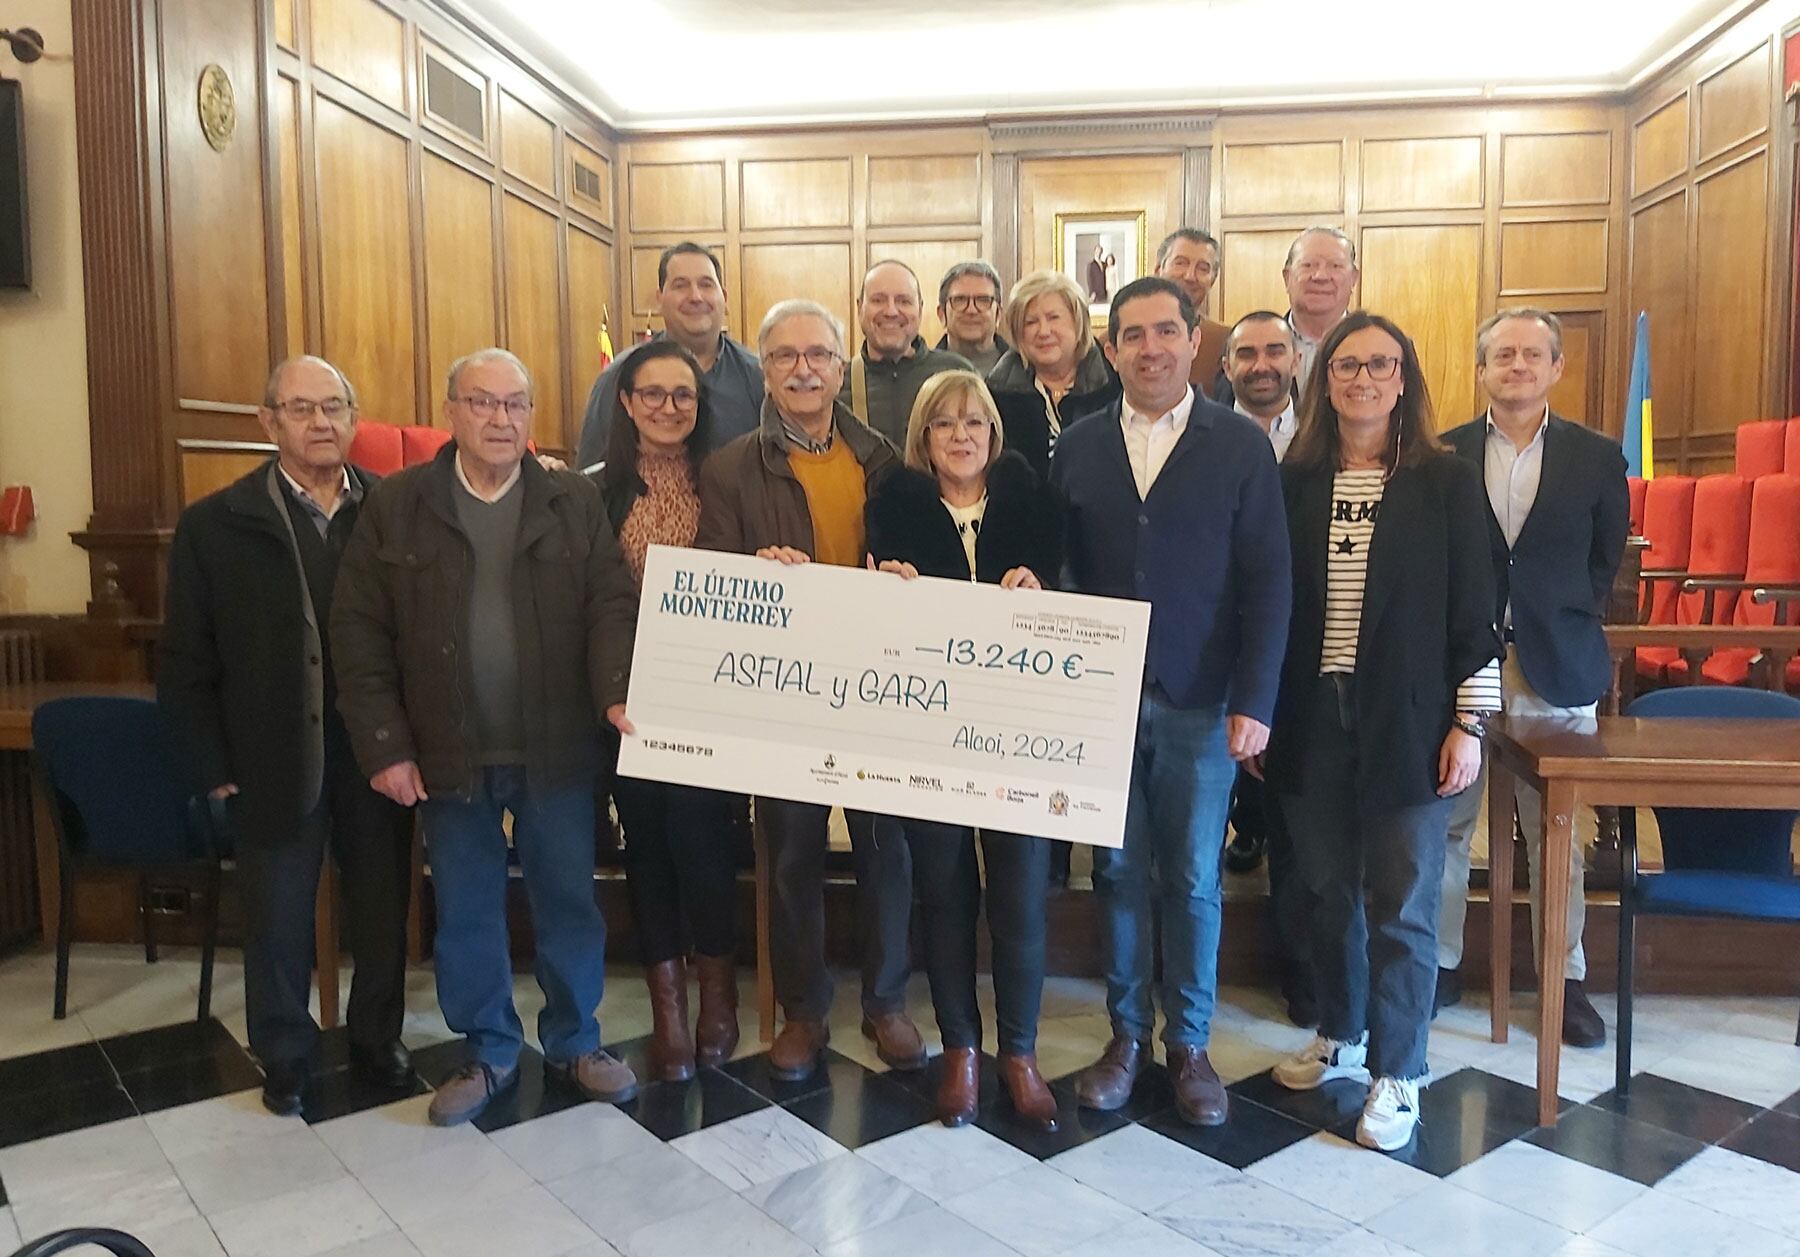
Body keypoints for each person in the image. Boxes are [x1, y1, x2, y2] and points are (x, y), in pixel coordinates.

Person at [333, 347, 640, 1127]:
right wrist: (385, 746)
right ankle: (488, 1048)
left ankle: (574, 1040)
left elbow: (610, 603)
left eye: (514, 404)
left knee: (569, 902)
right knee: (467, 908)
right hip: (448, 752)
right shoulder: (399, 504)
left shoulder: (573, 499)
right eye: (482, 402)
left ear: (530, 415)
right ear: (452, 411)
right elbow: (359, 632)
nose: (500, 419)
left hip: (557, 748)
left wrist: (615, 692)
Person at [1054, 277, 1291, 1128]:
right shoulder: (1078, 445)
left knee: (1192, 877)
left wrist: (1254, 698)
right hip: (1104, 701)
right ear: (1110, 348)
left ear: (1195, 342)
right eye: (1132, 334)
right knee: (1117, 871)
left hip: (1203, 698)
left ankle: (1189, 1043)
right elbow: (1061, 569)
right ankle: (1127, 1037)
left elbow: (1269, 579)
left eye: (1166, 331)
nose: (1150, 348)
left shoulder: (1240, 445)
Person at [1263, 311, 1500, 1152]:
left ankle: (1399, 1070)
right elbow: (1265, 603)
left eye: (1380, 365)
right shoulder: (1294, 480)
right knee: (1325, 891)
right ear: (1323, 381)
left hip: (1411, 719)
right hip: (1310, 715)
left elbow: (1479, 611)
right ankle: (1342, 1031)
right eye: (1346, 365)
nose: (1362, 378)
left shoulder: (1446, 481)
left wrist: (1469, 722)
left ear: (1404, 381)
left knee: (1401, 902)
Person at [159, 356, 414, 1116]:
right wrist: (210, 761)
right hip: (270, 754)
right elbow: (185, 658)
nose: (320, 422)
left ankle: (378, 1038)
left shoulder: (394, 510)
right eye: (301, 409)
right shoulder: (216, 523)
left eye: (333, 407)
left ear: (354, 417)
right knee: (277, 917)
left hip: (375, 750)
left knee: (382, 909)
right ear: (268, 421)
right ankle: (285, 1054)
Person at [697, 299, 923, 1081]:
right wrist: (753, 570)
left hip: (875, 687)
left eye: (819, 354)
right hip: (785, 694)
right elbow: (713, 580)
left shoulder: (884, 459)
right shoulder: (730, 467)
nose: (804, 369)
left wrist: (905, 574)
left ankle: (886, 1002)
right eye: (786, 356)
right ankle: (803, 1010)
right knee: (791, 852)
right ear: (764, 370)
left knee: (885, 849)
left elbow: (916, 561)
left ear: (840, 366)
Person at [864, 369, 1064, 1131]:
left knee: (1020, 894)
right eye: (944, 422)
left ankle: (1020, 1052)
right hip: (932, 737)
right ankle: (962, 1051)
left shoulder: (1033, 503)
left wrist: (1044, 588)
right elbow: (877, 628)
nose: (960, 434)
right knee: (944, 892)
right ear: (923, 435)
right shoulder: (894, 506)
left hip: (1019, 736)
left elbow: (1073, 607)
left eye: (974, 421)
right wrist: (885, 587)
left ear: (993, 433)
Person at [1436, 308, 1629, 1049]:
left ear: (1555, 368)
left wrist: (1555, 615)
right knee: (1450, 822)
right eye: (1503, 354)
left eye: (1532, 355)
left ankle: (1563, 978)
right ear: (1481, 368)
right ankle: (1440, 964)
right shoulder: (1444, 451)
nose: (1517, 365)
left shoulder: (1596, 456)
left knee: (1555, 831)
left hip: (1555, 663)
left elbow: (1603, 560)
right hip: (1462, 661)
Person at [600, 341, 742, 1080]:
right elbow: (591, 601)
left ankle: (719, 999)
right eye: (651, 394)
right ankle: (670, 1014)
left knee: (704, 843)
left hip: (710, 698)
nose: (668, 407)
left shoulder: (726, 480)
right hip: (627, 701)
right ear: (626, 403)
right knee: (647, 848)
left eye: (682, 394)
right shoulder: (593, 493)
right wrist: (613, 688)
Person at [1217, 310, 1313, 1024]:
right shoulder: (1202, 434)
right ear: (1225, 365)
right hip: (1209, 649)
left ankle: (1301, 970)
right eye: (1245, 353)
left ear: (1295, 359)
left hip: (1303, 646)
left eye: (1274, 350)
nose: (1261, 364)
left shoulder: (1325, 437)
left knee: (1297, 822)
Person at [573, 242, 763, 470]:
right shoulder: (618, 376)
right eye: (681, 285)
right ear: (660, 298)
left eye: (706, 284)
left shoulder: (758, 377)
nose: (696, 296)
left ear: (724, 297)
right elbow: (591, 475)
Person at [986, 269, 1121, 479]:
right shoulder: (994, 395)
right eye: (1030, 322)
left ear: (1078, 322)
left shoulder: (1115, 386)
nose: (1043, 331)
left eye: (1053, 318)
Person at [839, 259, 971, 447]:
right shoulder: (837, 383)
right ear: (860, 307)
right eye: (878, 300)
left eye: (904, 301)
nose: (891, 311)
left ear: (920, 308)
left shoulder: (958, 374)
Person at [1154, 228, 1230, 388]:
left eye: (1202, 268)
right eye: (1180, 263)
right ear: (1158, 270)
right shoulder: (1119, 338)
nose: (1190, 276)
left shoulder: (1226, 341)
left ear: (1213, 280)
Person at [1283, 227, 1360, 384]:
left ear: (1353, 278)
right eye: (1308, 265)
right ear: (1287, 278)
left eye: (1335, 266)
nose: (1320, 276)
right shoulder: (1253, 346)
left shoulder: (1386, 347)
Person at [935, 260, 1010, 375]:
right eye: (960, 300)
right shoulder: (920, 374)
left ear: (998, 314)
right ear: (941, 313)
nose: (971, 310)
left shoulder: (1026, 372)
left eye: (983, 300)